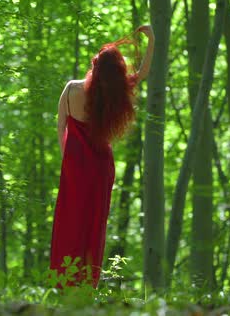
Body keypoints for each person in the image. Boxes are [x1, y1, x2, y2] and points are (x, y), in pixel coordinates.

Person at [49, 25, 155, 288]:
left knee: (69, 220)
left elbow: (61, 125)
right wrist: (152, 39)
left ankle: (62, 282)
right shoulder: (113, 95)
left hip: (74, 164)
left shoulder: (71, 88)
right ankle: (87, 284)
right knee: (94, 223)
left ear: (94, 66)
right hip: (100, 167)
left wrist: (68, 157)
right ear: (114, 74)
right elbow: (143, 73)